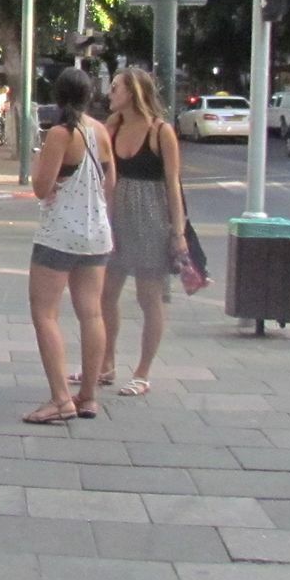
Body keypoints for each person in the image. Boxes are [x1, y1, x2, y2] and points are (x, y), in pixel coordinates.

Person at [24, 68, 114, 424]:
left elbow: (41, 187)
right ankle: (88, 396)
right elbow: (110, 184)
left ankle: (60, 398)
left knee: (45, 313)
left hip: (60, 232)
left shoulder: (61, 134)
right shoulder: (101, 131)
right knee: (91, 313)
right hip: (96, 233)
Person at [98, 67, 186, 398]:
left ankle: (142, 372)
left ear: (133, 93)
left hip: (150, 219)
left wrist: (177, 233)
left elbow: (173, 185)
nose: (110, 93)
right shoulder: (112, 127)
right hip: (115, 217)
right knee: (106, 293)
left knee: (149, 298)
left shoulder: (161, 132)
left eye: (116, 88)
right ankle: (106, 363)